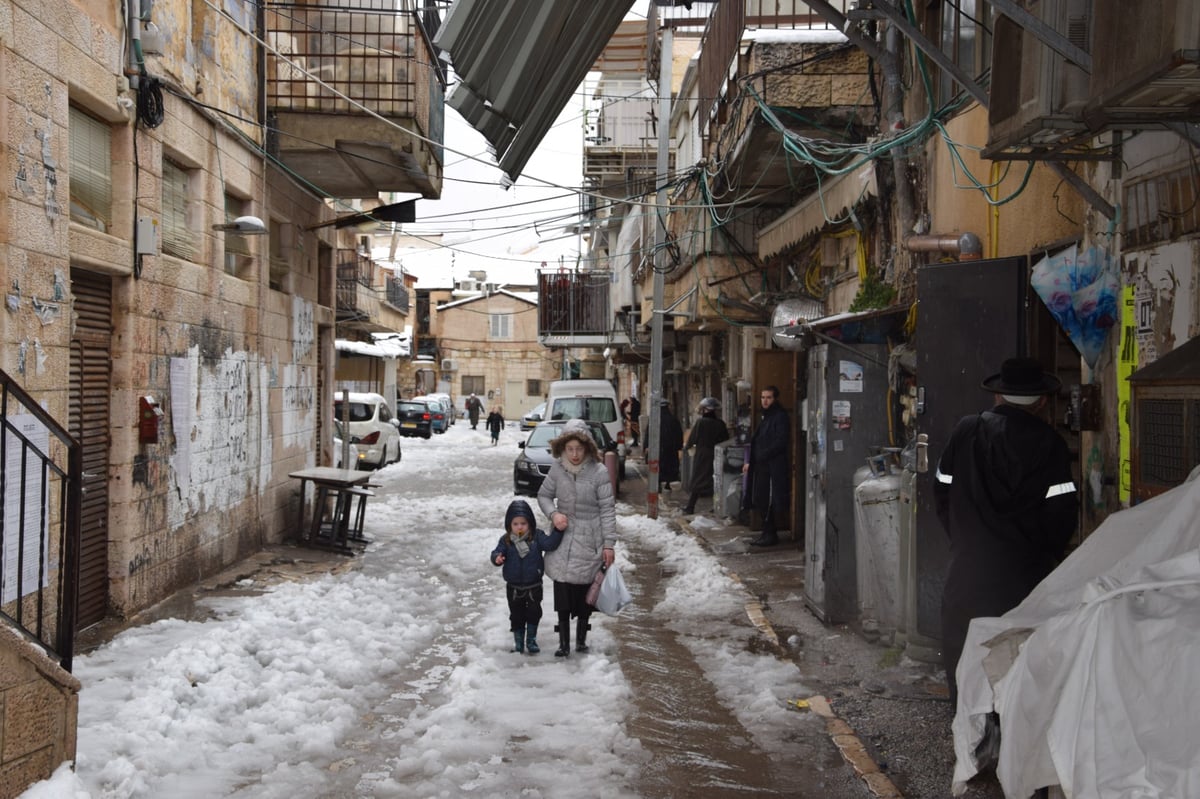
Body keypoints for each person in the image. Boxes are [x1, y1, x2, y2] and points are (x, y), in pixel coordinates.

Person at [934, 357, 1077, 704]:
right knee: (1018, 667)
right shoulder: (1051, 444)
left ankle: (970, 741)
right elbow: (1061, 515)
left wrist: (965, 539)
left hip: (967, 574)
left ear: (998, 396)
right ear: (1042, 400)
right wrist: (1042, 555)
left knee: (965, 659)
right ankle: (1008, 745)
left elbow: (941, 492)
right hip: (1026, 580)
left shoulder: (965, 431)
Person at [538, 419, 617, 658]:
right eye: (570, 449)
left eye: (579, 449)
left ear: (587, 448)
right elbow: (543, 495)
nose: (574, 454)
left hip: (590, 537)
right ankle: (563, 642)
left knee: (586, 590)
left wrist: (608, 544)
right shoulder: (557, 469)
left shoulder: (599, 471)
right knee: (561, 587)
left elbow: (607, 509)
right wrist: (553, 514)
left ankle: (581, 638)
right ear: (563, 448)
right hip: (563, 538)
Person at [490, 499, 563, 654]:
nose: (520, 527)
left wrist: (558, 531)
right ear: (509, 525)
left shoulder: (537, 536)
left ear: (530, 522)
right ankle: (518, 643)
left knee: (534, 613)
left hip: (534, 585)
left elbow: (550, 544)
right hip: (514, 587)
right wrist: (497, 558)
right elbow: (496, 552)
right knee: (516, 615)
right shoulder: (506, 540)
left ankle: (531, 640)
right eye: (515, 524)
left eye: (523, 523)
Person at [742, 385, 790, 547]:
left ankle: (770, 533)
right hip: (762, 465)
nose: (765, 401)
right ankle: (766, 531)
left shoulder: (779, 416)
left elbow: (780, 441)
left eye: (768, 397)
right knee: (760, 498)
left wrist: (762, 455)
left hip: (772, 466)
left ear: (775, 399)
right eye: (763, 397)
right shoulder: (765, 417)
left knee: (769, 499)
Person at [683, 398, 728, 514]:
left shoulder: (701, 423)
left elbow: (692, 438)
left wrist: (687, 447)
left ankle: (690, 507)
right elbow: (725, 440)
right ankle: (716, 506)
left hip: (702, 454)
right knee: (716, 480)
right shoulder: (721, 424)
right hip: (717, 454)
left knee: (698, 480)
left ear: (706, 410)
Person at [657, 398, 684, 490]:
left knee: (658, 466)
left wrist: (647, 446)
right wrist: (678, 446)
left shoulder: (655, 419)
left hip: (658, 447)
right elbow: (679, 434)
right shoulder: (673, 419)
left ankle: (658, 484)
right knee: (669, 466)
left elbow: (650, 432)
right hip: (671, 448)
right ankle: (667, 484)